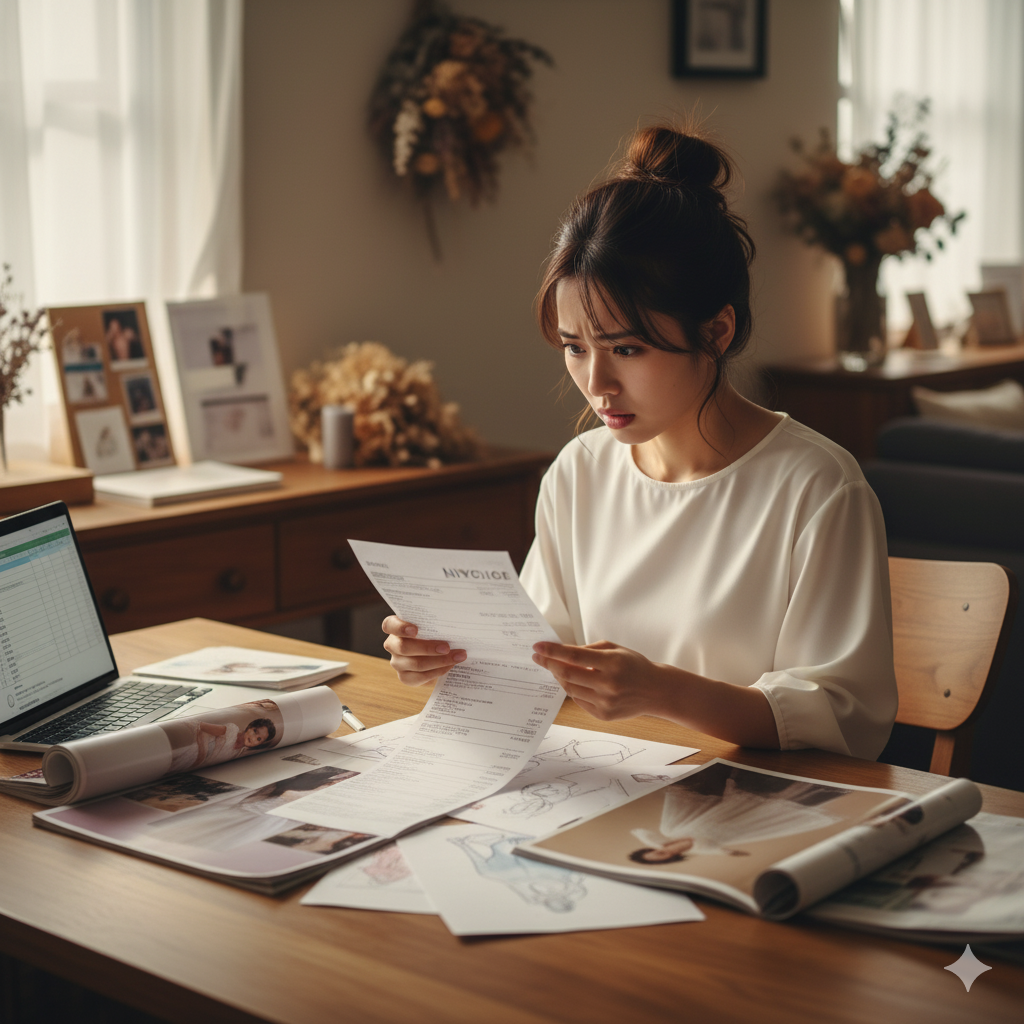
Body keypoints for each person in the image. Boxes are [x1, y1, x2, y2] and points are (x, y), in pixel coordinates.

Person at [382, 123, 898, 760]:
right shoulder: (581, 472)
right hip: (604, 790)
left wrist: (665, 691)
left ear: (715, 332)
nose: (596, 383)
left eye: (626, 348)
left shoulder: (816, 487)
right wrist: (448, 654)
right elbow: (540, 656)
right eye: (575, 348)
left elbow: (843, 719)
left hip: (751, 809)